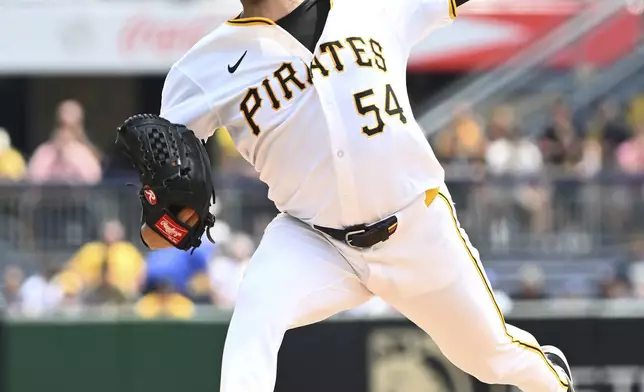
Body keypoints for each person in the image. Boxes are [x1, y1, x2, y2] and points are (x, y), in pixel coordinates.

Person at [140, 0, 575, 391]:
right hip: (314, 239)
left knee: (491, 357)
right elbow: (158, 225)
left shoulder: (373, 6)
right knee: (254, 315)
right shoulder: (199, 71)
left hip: (415, 229)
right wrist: (164, 222)